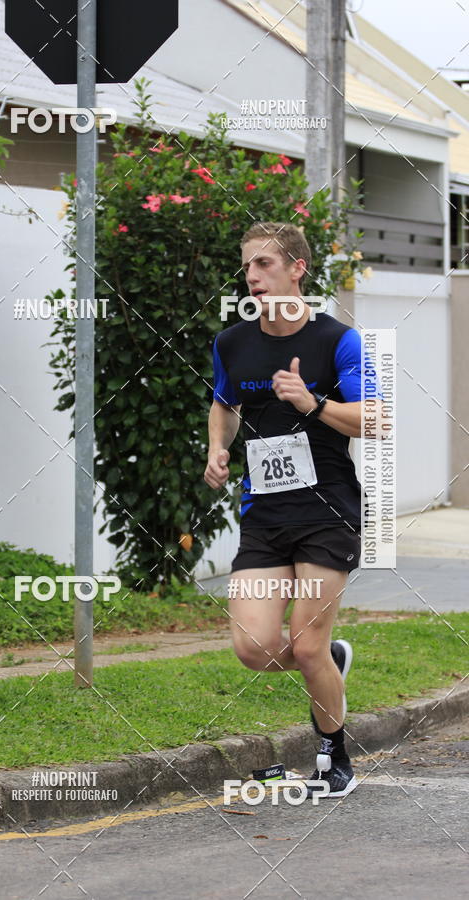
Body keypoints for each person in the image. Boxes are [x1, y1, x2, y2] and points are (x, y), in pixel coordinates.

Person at [204, 222, 380, 798]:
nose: (252, 277)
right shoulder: (233, 342)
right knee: (253, 648)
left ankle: (334, 758)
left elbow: (376, 420)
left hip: (328, 513)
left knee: (302, 644)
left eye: (264, 264)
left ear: (296, 268)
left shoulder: (339, 341)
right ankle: (328, 660)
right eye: (248, 267)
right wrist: (218, 448)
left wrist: (313, 402)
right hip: (265, 514)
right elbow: (223, 402)